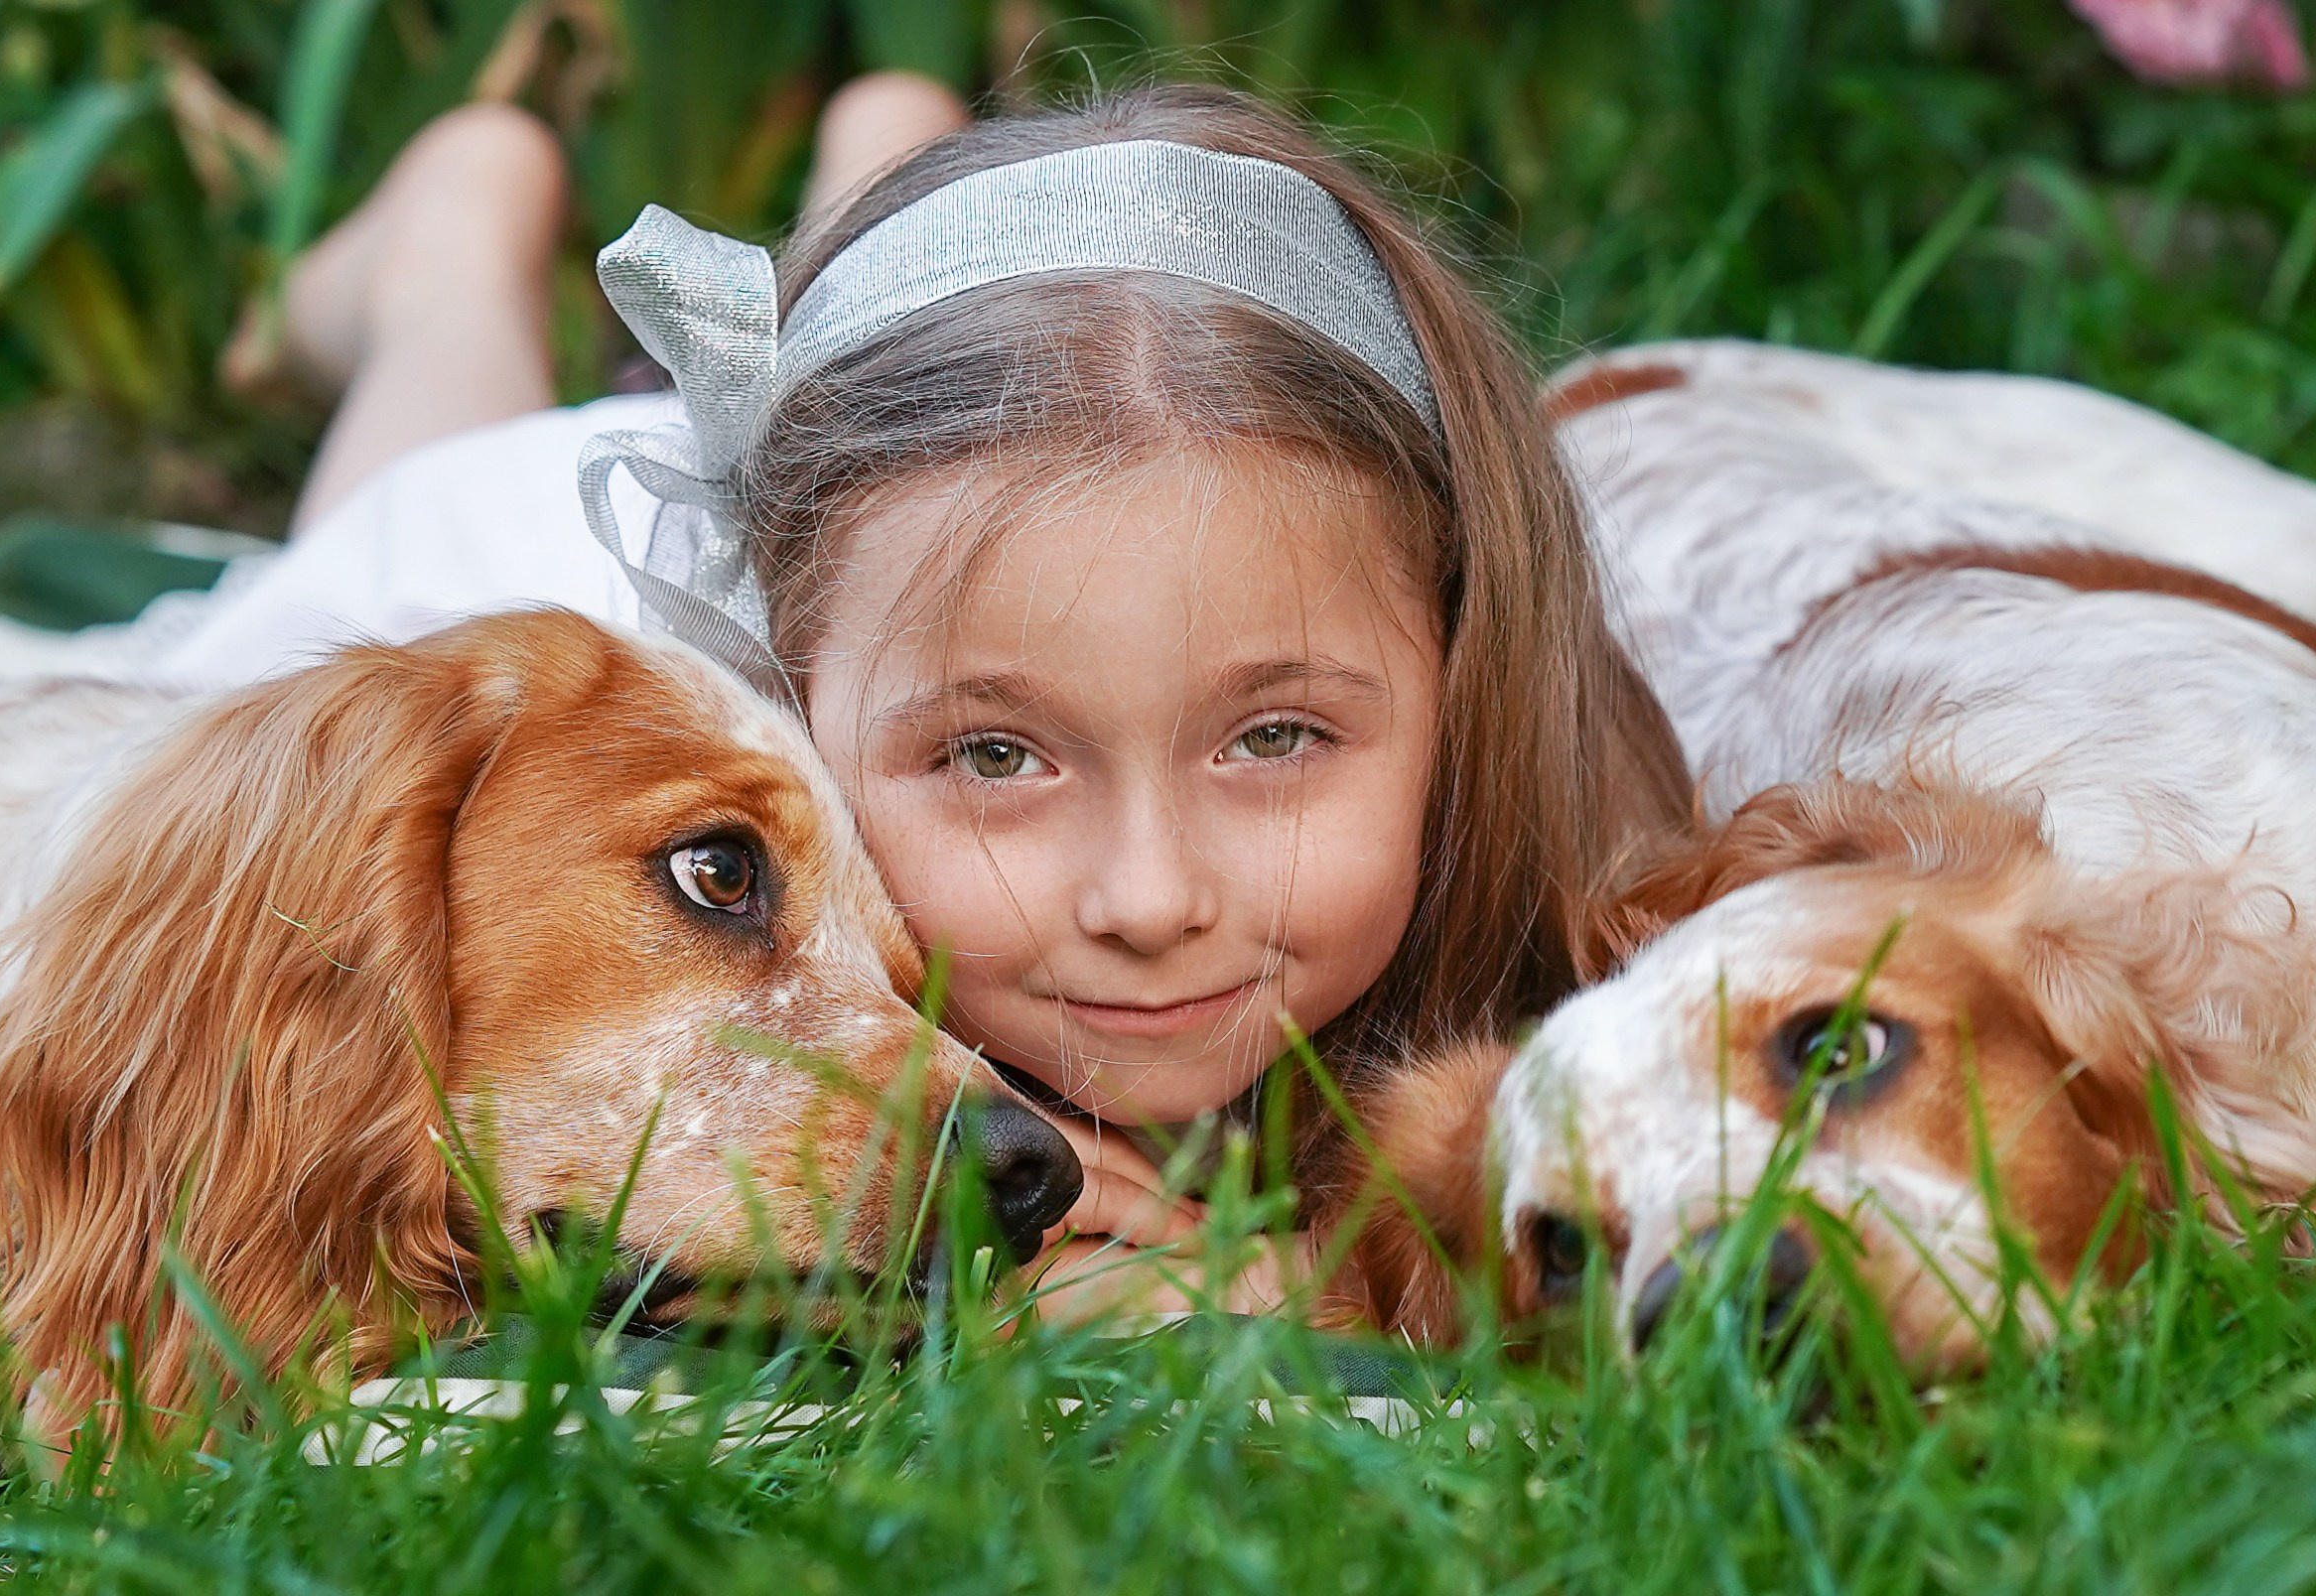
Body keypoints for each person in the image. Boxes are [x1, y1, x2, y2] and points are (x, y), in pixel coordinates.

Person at [105, 74, 1693, 1321]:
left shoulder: (1562, 901)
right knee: (417, 439)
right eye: (995, 754)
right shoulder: (595, 744)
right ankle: (454, 234)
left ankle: (885, 148)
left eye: (1274, 736)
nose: (1150, 900)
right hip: (482, 527)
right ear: (786, 683)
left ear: (1461, 677)